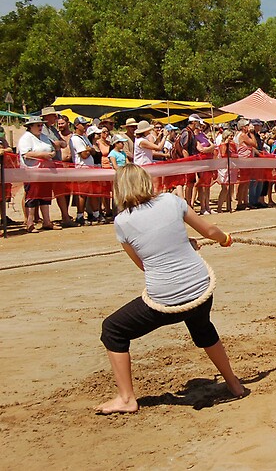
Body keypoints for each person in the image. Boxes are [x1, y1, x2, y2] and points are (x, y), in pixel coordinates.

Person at [96, 164, 243, 414]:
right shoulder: (172, 201)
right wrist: (225, 239)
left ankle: (126, 398)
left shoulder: (122, 222)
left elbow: (144, 265)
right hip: (200, 288)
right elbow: (210, 230)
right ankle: (234, 384)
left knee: (113, 330)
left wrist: (179, 245)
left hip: (168, 299)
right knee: (202, 326)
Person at [17, 116, 58, 232]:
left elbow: (52, 148)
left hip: (45, 171)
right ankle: (30, 223)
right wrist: (42, 155)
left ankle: (47, 221)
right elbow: (26, 154)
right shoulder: (26, 138)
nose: (40, 127)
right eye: (38, 125)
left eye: (41, 125)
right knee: (32, 197)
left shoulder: (44, 137)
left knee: (45, 196)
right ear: (30, 127)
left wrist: (51, 154)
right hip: (31, 171)